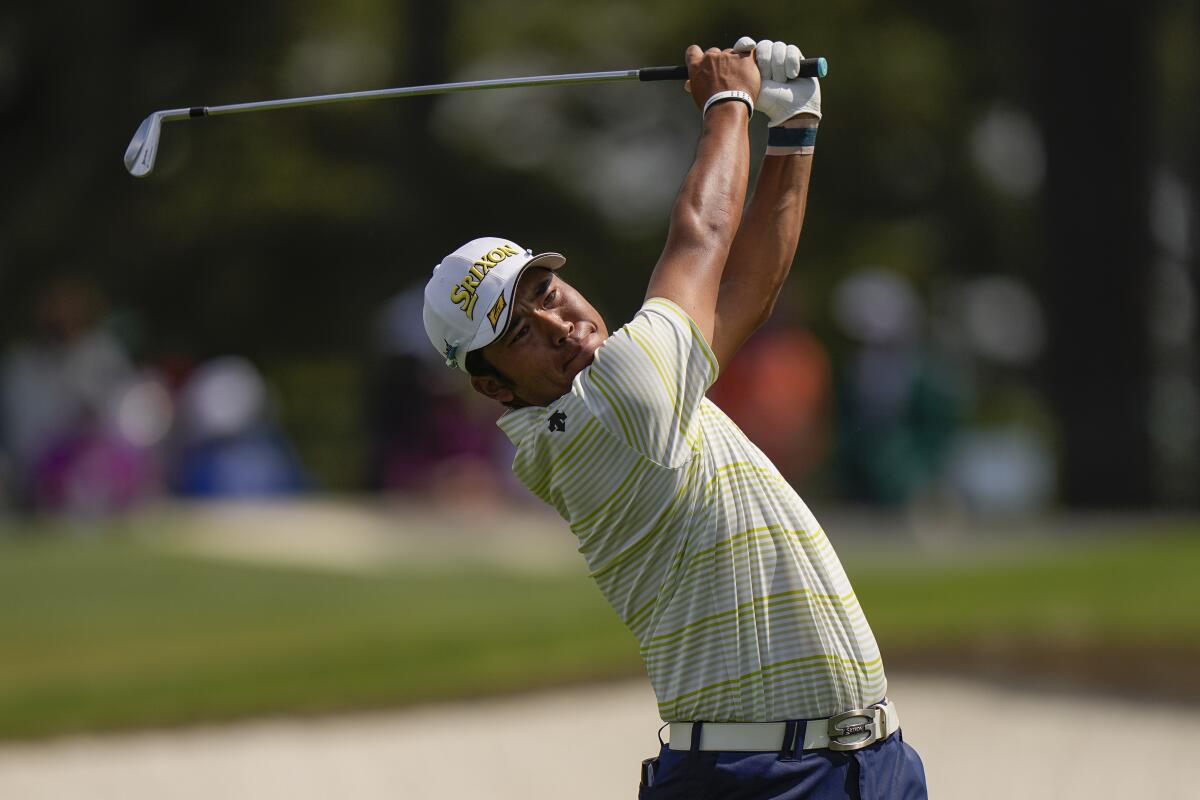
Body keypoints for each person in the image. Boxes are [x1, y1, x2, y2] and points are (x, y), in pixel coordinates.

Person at [421, 38, 927, 799]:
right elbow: (703, 236)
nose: (560, 325)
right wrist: (729, 102)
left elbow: (744, 291)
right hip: (756, 778)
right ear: (494, 387)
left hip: (867, 765)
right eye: (521, 332)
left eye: (546, 295)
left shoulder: (641, 390)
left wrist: (793, 128)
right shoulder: (611, 408)